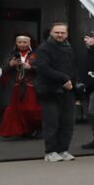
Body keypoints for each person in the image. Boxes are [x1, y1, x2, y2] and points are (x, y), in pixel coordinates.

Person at [32, 21, 82, 162]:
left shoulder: (69, 48)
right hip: (49, 91)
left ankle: (63, 150)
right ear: (51, 33)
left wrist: (75, 86)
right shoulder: (44, 48)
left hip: (68, 91)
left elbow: (73, 68)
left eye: (63, 32)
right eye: (57, 32)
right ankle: (50, 152)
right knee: (51, 123)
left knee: (67, 123)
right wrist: (64, 79)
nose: (60, 35)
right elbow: (43, 69)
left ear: (67, 34)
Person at [0, 34, 42, 139]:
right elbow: (1, 69)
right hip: (15, 86)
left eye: (25, 42)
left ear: (29, 43)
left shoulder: (37, 54)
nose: (22, 44)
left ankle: (37, 129)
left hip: (31, 86)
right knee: (16, 110)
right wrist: (10, 64)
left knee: (32, 110)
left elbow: (44, 68)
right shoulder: (11, 54)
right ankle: (22, 130)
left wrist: (31, 67)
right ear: (16, 43)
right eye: (20, 42)